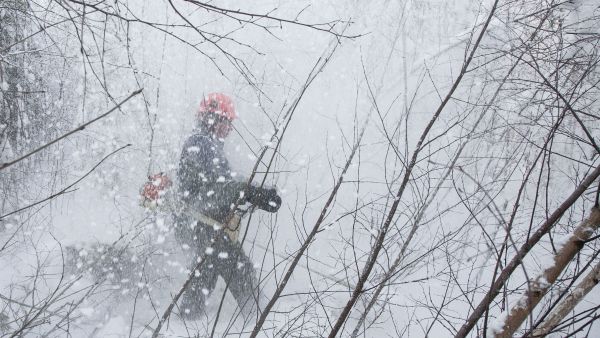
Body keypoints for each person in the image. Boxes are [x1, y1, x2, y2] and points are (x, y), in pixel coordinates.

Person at [175, 92, 281, 319]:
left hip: (203, 227)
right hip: (203, 225)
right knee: (240, 273)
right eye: (227, 122)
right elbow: (216, 189)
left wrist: (252, 190)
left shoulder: (207, 145)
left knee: (204, 275)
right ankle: (263, 322)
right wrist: (251, 192)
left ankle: (184, 322)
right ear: (211, 119)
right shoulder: (200, 144)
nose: (229, 129)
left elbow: (225, 181)